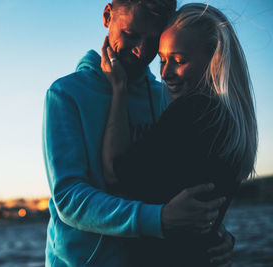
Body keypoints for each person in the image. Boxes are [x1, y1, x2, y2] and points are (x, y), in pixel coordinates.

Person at [43, 1, 235, 266]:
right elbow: (69, 198)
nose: (142, 51)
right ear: (107, 16)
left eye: (152, 40)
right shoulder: (66, 95)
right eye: (131, 35)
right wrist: (159, 218)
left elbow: (181, 184)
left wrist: (214, 235)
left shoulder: (164, 95)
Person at [101, 3, 257, 266]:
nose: (164, 73)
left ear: (213, 60)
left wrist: (119, 90)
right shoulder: (228, 121)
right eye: (162, 60)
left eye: (178, 60)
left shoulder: (192, 113)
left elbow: (116, 172)